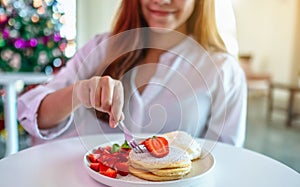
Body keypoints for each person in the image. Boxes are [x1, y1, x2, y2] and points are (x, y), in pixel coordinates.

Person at [17, 0, 247, 147]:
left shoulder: (223, 70)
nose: (161, 1)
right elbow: (32, 114)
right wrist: (78, 92)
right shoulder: (102, 47)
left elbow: (224, 159)